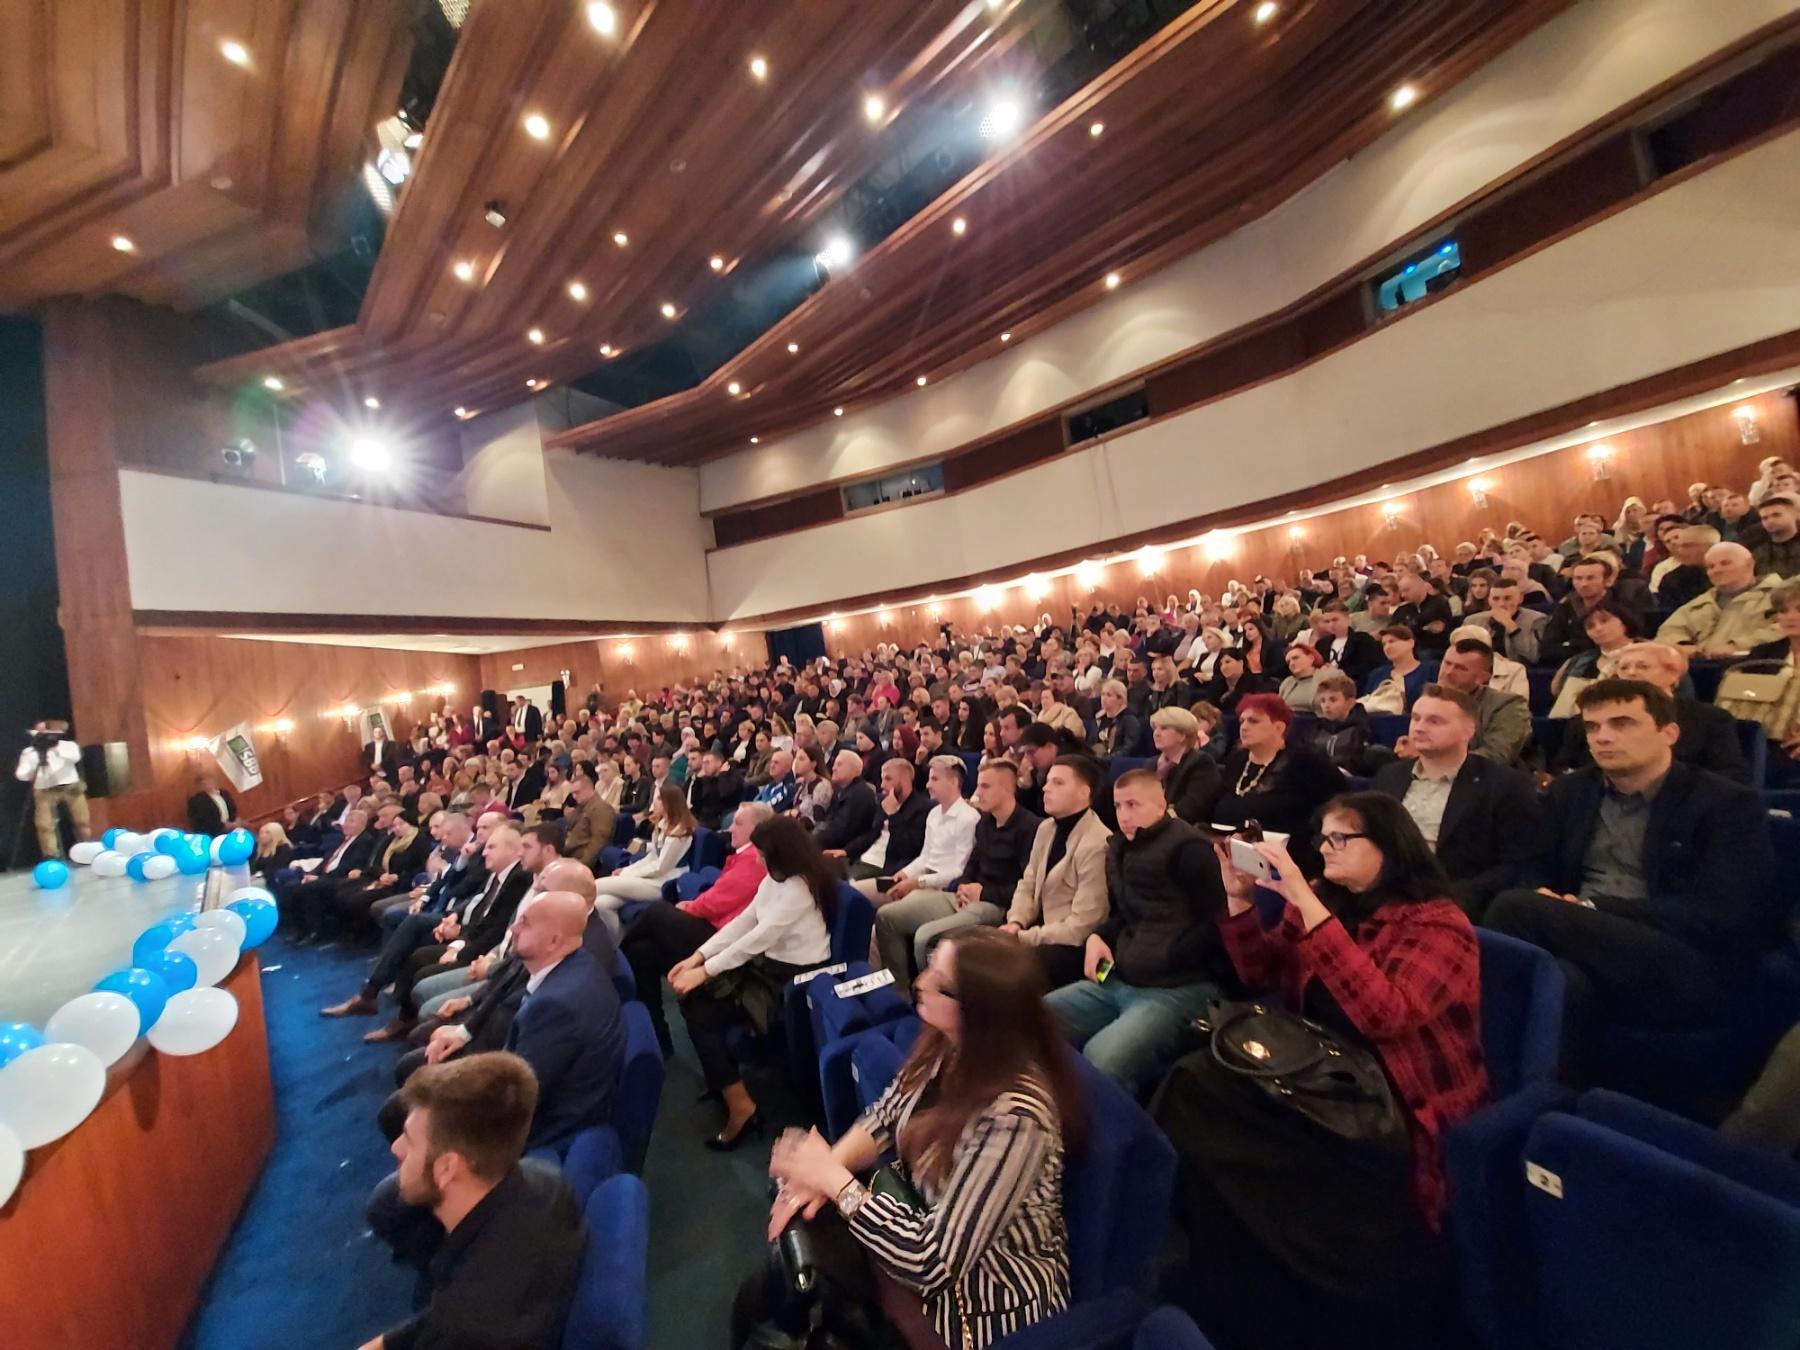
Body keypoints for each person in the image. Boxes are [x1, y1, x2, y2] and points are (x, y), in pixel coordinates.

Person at [1156, 793, 1487, 1350]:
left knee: (1221, 1117)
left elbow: (1385, 1013)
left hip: (1395, 1101)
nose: (1326, 849)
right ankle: (1223, 1264)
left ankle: (1308, 1295)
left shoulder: (1438, 925)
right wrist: (1238, 901)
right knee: (1192, 1086)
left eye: (1342, 839)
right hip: (1319, 1073)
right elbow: (1259, 970)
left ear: (1388, 845)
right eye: (1324, 838)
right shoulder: (1327, 903)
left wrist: (1312, 908)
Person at [743, 929, 1076, 1349]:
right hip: (915, 1222)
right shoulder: (948, 1045)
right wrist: (822, 1173)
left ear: (979, 1011)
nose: (918, 983)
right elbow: (886, 1116)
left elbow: (932, 1263)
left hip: (986, 1299)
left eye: (940, 983)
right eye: (930, 967)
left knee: (806, 1318)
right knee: (777, 1289)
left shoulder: (1016, 1119)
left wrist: (832, 1179)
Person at [1486, 679, 1776, 1074]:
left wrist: (1592, 909)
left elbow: (1723, 913)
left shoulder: (1727, 804)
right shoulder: (1571, 792)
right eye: (1592, 727)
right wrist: (1544, 893)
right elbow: (1536, 866)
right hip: (1576, 937)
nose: (1602, 737)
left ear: (1669, 733)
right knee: (1563, 979)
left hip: (1682, 956)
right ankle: (1541, 1093)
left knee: (1512, 910)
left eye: (1622, 724)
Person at [361, 1053, 584, 1350]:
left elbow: (457, 1322)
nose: (395, 1147)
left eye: (409, 1139)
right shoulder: (547, 1179)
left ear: (447, 1168)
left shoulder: (466, 1327)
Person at [1046, 769, 1229, 1092]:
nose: (1124, 816)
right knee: (1033, 1019)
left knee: (1101, 1059)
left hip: (1176, 987)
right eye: (1118, 807)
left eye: (1134, 805)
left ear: (1161, 805)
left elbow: (1218, 927)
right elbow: (1130, 914)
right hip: (1120, 976)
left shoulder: (1190, 851)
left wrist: (1166, 956)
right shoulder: (1121, 847)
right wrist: (1098, 937)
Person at [671, 816, 834, 1149]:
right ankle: (728, 1085)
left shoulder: (800, 887)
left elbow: (759, 937)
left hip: (793, 976)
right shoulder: (775, 877)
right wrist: (698, 957)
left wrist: (705, 971)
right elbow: (746, 921)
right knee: (695, 1002)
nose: (757, 859)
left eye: (762, 853)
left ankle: (741, 1105)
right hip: (768, 963)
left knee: (700, 1008)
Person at [1371, 685, 1538, 918]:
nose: (1419, 727)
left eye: (1435, 721)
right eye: (1416, 718)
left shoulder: (1504, 785)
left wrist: (1453, 897)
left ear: (1468, 730)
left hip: (1451, 900)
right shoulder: (1389, 776)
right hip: (1380, 891)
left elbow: (1516, 864)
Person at [621, 803, 773, 1056]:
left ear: (757, 829)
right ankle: (656, 1035)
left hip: (724, 941)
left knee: (656, 912)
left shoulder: (754, 859)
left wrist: (689, 907)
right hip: (716, 930)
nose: (730, 828)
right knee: (642, 951)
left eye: (738, 824)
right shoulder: (745, 855)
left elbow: (718, 901)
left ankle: (613, 971)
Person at [874, 760, 1041, 983]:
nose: (977, 793)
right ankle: (900, 992)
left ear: (1008, 789)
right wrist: (963, 885)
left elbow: (1026, 888)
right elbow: (971, 864)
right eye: (979, 785)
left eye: (985, 786)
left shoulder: (1030, 828)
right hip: (963, 895)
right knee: (887, 917)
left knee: (926, 937)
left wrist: (982, 893)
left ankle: (932, 996)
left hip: (996, 905)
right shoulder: (985, 823)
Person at [1551, 641, 1749, 781]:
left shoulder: (1710, 719)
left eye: (1643, 666)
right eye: (1624, 667)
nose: (1631, 673)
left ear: (1673, 675)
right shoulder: (1586, 720)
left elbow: (1731, 773)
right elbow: (1563, 767)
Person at [996, 757, 1113, 989]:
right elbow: (1027, 883)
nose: (1046, 788)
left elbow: (1082, 925)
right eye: (1047, 781)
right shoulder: (1046, 828)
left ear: (1083, 792)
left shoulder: (1097, 843)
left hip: (1071, 945)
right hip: (1038, 932)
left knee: (1004, 974)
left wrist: (1022, 938)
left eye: (1058, 783)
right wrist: (1016, 922)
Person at [855, 755, 981, 909]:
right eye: (929, 779)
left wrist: (918, 882)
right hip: (920, 878)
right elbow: (925, 856)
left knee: (886, 915)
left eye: (935, 779)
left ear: (953, 782)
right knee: (854, 892)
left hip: (939, 887)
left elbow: (959, 871)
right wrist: (906, 873)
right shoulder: (934, 813)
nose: (928, 785)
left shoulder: (968, 818)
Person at [1212, 694, 1344, 839]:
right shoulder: (1237, 758)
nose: (1244, 727)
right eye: (1242, 721)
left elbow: (1338, 804)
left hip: (1285, 849)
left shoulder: (1306, 760)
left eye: (1253, 721)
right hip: (1226, 842)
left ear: (1279, 727)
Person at [1655, 541, 1783, 658]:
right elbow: (1669, 630)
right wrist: (1682, 645)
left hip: (1753, 668)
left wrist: (1736, 645)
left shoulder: (1781, 595)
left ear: (1749, 564)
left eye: (1725, 563)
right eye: (1711, 566)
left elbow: (1786, 628)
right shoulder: (1701, 602)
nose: (1717, 570)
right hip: (1700, 669)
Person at [592, 785, 696, 913]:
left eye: (658, 799)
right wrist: (627, 869)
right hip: (648, 877)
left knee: (596, 886)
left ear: (668, 803)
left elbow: (661, 867)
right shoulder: (663, 825)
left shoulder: (680, 832)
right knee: (602, 904)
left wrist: (627, 874)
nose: (654, 803)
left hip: (662, 882)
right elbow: (652, 857)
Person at [1433, 640, 1531, 764]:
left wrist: (1438, 760)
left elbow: (1496, 754)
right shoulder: (1428, 700)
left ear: (1482, 677)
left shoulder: (1507, 705)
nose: (1448, 672)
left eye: (1461, 668)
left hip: (1483, 779)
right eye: (1447, 663)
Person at [846, 756, 932, 884]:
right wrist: (846, 850)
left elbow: (909, 849)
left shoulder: (923, 808)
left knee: (841, 889)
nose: (882, 785)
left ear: (905, 780)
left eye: (888, 779)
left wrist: (893, 815)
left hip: (885, 867)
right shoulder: (884, 801)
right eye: (882, 779)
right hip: (862, 858)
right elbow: (872, 834)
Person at [14, 720, 88, 859]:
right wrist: (31, 770)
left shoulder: (68, 746)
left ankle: (85, 848)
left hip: (71, 786)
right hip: (45, 790)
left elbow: (75, 757)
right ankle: (51, 855)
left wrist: (55, 748)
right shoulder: (29, 752)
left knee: (82, 820)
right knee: (45, 824)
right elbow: (21, 774)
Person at [1148, 705, 1221, 825]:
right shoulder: (1151, 764)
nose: (1156, 733)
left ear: (1182, 735)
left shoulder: (1201, 763)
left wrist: (1150, 821)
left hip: (1184, 832)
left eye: (1164, 728)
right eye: (1155, 728)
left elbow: (1189, 811)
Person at [814, 750, 881, 862]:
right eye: (834, 764)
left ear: (854, 769)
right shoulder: (844, 792)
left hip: (846, 855)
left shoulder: (860, 794)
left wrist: (811, 843)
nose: (834, 768)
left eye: (839, 764)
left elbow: (841, 831)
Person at [1303, 672, 1373, 773]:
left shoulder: (1361, 728)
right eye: (1323, 701)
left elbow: (1357, 762)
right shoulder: (1317, 728)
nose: (1326, 705)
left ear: (1350, 703)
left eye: (1333, 700)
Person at [1306, 601, 1383, 687]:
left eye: (1335, 620)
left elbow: (1369, 664)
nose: (1331, 624)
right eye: (1327, 621)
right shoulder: (1322, 643)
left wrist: (1340, 672)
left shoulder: (1362, 640)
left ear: (1347, 618)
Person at [1361, 626, 1437, 711]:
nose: (1387, 647)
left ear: (1411, 643)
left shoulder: (1430, 670)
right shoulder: (1377, 674)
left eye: (1392, 641)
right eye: (1384, 644)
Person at [559, 762, 618, 869]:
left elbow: (598, 842)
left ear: (589, 789)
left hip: (581, 859)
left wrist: (582, 866)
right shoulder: (581, 806)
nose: (574, 796)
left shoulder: (601, 808)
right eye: (572, 793)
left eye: (577, 792)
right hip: (568, 854)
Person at [1479, 576, 1549, 666]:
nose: (1501, 604)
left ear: (1520, 599)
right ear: (1489, 600)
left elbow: (1533, 656)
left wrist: (1511, 626)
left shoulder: (1536, 620)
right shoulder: (1474, 620)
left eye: (1507, 598)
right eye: (1495, 599)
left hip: (1517, 672)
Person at [686, 746, 744, 831]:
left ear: (719, 763)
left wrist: (722, 775)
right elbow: (695, 802)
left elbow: (724, 794)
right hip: (703, 817)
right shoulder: (706, 778)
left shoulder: (733, 776)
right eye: (703, 763)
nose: (704, 766)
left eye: (707, 762)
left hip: (720, 817)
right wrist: (698, 780)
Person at [1087, 678, 1142, 761]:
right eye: (1102, 694)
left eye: (1109, 695)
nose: (1104, 698)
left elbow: (1129, 748)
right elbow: (1092, 742)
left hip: (1116, 762)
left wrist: (1106, 760)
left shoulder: (1129, 720)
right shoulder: (1100, 718)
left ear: (1120, 698)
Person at [1750, 494, 1800, 579]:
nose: (1770, 521)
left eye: (1776, 515)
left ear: (1795, 515)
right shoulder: (1756, 550)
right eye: (1764, 518)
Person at [1278, 644, 1328, 713]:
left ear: (1311, 658)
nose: (1292, 663)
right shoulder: (1287, 683)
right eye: (1288, 662)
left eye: (1295, 658)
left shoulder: (1328, 677)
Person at [186, 771, 237, 836]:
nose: (207, 783)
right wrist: (222, 826)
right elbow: (202, 821)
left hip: (231, 826)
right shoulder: (197, 801)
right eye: (203, 783)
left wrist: (234, 822)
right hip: (214, 832)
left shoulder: (224, 793)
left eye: (208, 780)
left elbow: (233, 809)